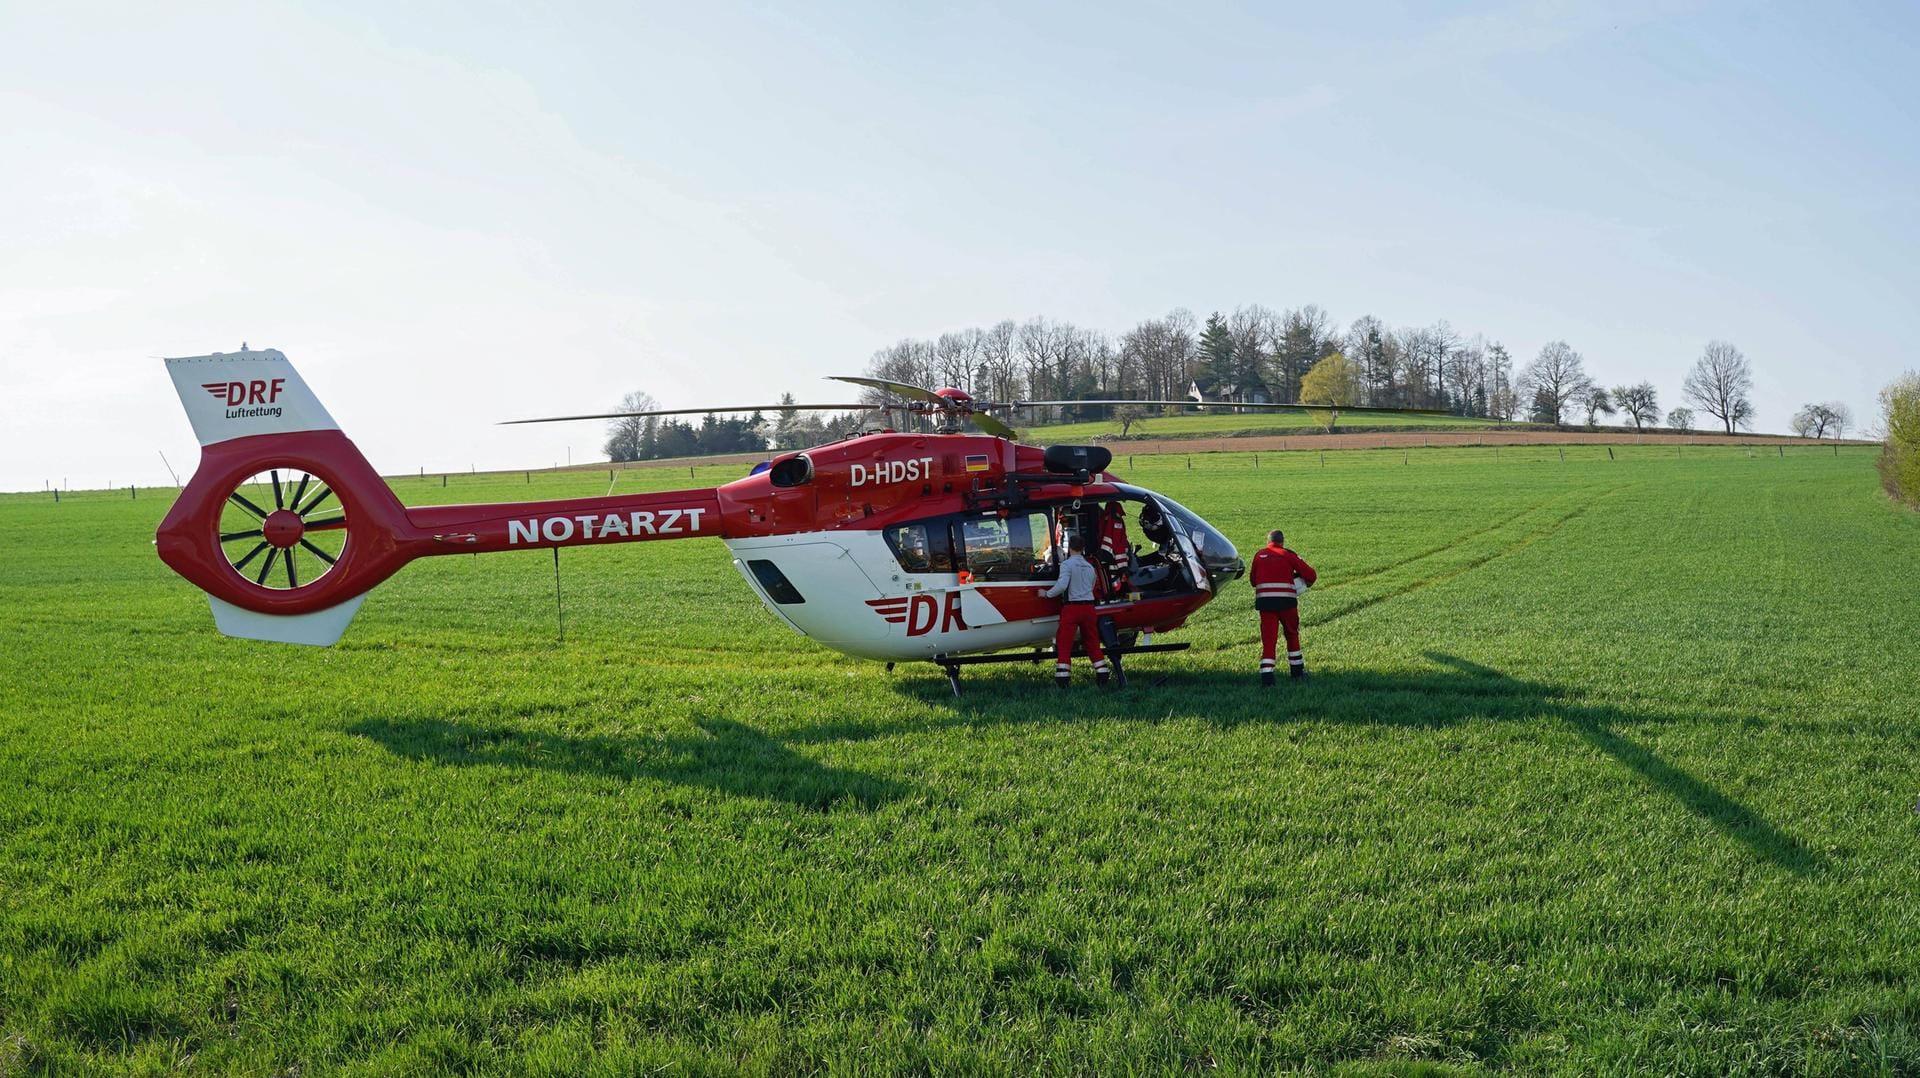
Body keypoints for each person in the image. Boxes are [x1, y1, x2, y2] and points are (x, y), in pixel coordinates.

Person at [1250, 528, 1316, 685]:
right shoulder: (1288, 555)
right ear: (1282, 542)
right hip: (1287, 602)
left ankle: (1267, 676)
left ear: (1268, 541)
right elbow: (1311, 575)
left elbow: (1253, 581)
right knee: (1292, 634)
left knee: (1269, 638)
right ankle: (1297, 671)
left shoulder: (1259, 555)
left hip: (1265, 603)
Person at [1044, 533, 1110, 689]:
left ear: (1069, 548)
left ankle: (1063, 677)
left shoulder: (1067, 565)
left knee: (1064, 641)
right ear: (1083, 548)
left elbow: (1062, 586)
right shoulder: (1090, 567)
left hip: (1072, 608)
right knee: (1092, 641)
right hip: (1089, 608)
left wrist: (1046, 594)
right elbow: (1093, 585)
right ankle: (1102, 672)